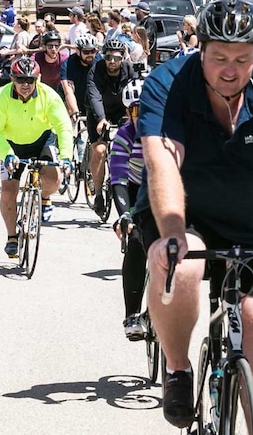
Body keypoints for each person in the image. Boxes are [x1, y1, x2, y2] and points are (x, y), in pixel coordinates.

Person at [133, 0, 253, 433]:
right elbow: (163, 160)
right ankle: (178, 368)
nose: (229, 69)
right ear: (199, 49)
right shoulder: (168, 83)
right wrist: (173, 233)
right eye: (218, 57)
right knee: (180, 267)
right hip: (187, 214)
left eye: (242, 58)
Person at [0, 56, 73, 257]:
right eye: (20, 80)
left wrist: (66, 156)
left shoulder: (48, 95)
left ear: (38, 79)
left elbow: (63, 127)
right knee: (8, 192)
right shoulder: (1, 97)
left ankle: (44, 198)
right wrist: (6, 154)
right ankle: (12, 237)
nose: (25, 85)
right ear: (12, 79)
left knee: (54, 179)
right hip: (12, 146)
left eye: (30, 80)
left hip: (42, 140)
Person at [109, 79, 147, 341]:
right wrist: (124, 215)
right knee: (135, 239)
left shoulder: (171, 131)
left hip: (166, 188)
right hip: (135, 191)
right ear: (128, 113)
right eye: (136, 111)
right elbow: (119, 180)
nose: (142, 117)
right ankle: (132, 313)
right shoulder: (124, 137)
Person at [87, 39, 134, 217]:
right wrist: (101, 119)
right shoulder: (96, 69)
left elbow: (135, 95)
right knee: (99, 151)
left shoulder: (129, 70)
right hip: (99, 111)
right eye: (108, 57)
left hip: (122, 110)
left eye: (116, 57)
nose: (112, 61)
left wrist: (132, 118)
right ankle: (98, 194)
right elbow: (94, 95)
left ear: (122, 57)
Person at [60, 33, 101, 119]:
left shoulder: (99, 61)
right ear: (78, 51)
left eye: (93, 51)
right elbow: (68, 92)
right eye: (86, 52)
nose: (90, 55)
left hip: (91, 97)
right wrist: (75, 111)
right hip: (73, 96)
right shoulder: (68, 64)